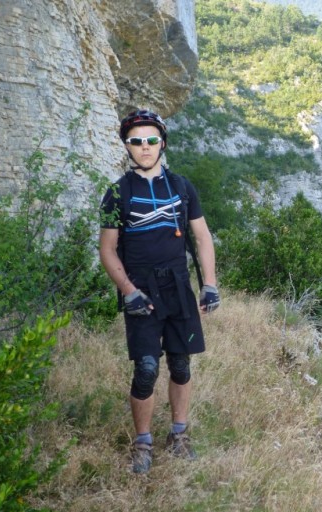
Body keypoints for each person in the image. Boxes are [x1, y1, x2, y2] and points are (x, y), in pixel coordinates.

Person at [99, 109, 220, 474]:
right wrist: (128, 290)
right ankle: (143, 442)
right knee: (147, 369)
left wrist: (210, 284)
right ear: (127, 147)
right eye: (136, 141)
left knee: (181, 365)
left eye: (151, 140)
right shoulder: (118, 193)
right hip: (141, 290)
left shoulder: (182, 187)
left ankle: (179, 434)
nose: (145, 147)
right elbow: (107, 248)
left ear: (162, 143)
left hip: (179, 287)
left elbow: (201, 236)